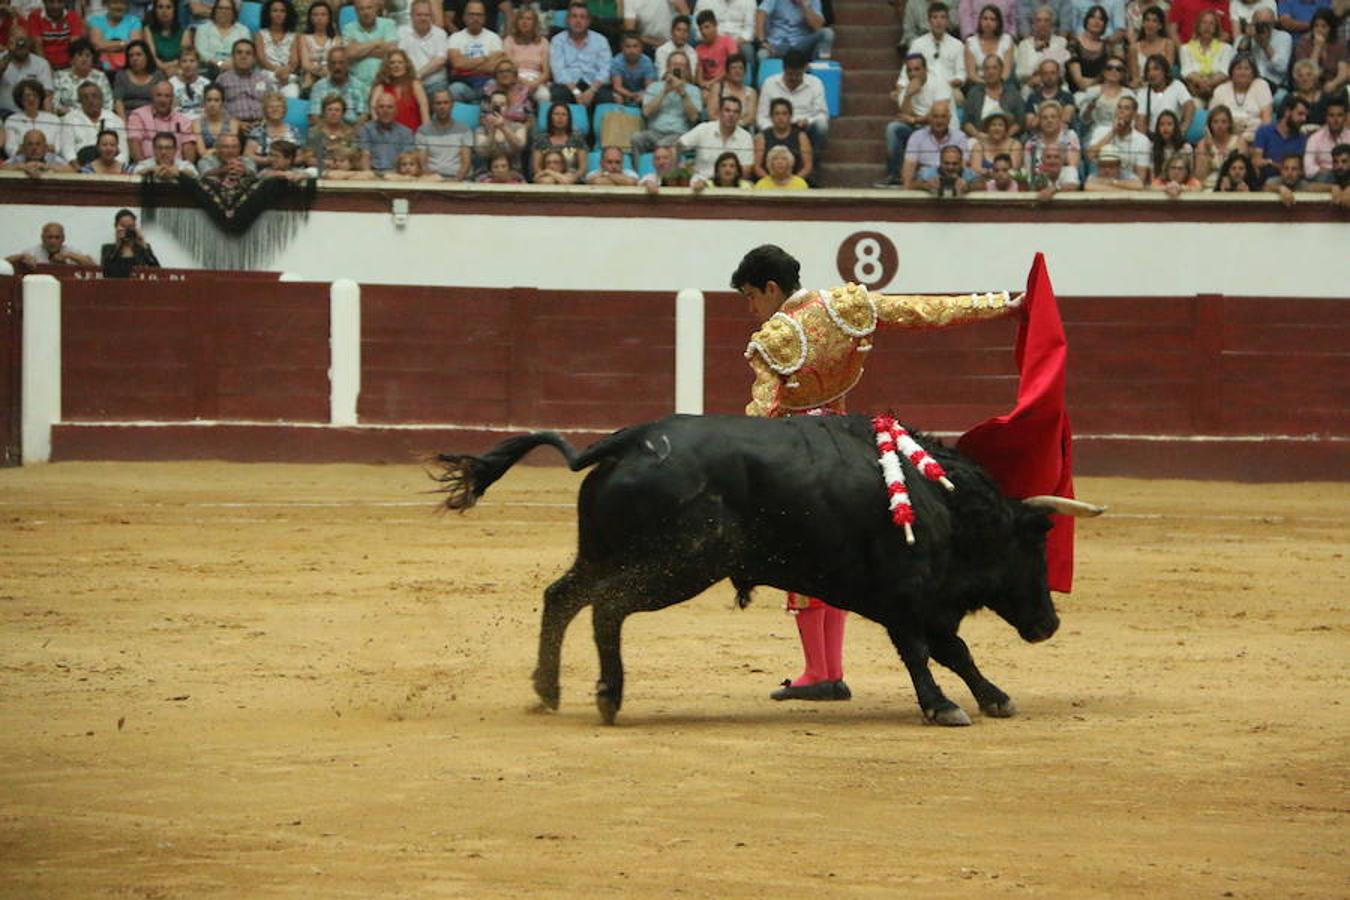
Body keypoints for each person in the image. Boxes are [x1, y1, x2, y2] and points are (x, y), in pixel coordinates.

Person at [732, 244, 1025, 702]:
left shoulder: (775, 337)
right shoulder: (846, 305)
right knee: (839, 560)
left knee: (803, 560)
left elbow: (761, 411)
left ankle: (819, 671)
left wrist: (737, 459)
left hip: (802, 457)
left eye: (751, 296)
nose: (751, 309)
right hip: (854, 447)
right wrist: (999, 304)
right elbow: (925, 311)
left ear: (771, 288)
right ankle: (829, 670)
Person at [880, 54, 953, 187]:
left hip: (942, 128)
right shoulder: (907, 88)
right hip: (919, 128)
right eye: (909, 70)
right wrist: (908, 95)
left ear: (926, 70)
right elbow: (904, 116)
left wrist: (914, 120)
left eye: (917, 69)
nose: (913, 73)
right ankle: (895, 176)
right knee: (893, 129)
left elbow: (939, 115)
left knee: (934, 123)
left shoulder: (939, 83)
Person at [756, 49, 827, 155]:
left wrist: (808, 121)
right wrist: (775, 128)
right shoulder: (769, 83)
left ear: (805, 69)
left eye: (798, 74)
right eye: (790, 74)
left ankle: (812, 160)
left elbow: (822, 115)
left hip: (803, 128)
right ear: (783, 69)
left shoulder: (816, 83)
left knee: (821, 126)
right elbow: (761, 117)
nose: (794, 78)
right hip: (776, 128)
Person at [631, 48, 701, 155]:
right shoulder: (654, 87)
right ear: (668, 67)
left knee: (662, 145)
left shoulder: (693, 90)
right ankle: (638, 170)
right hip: (654, 132)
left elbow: (694, 117)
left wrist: (682, 93)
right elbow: (646, 113)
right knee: (636, 138)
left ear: (687, 69)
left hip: (679, 134)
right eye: (674, 64)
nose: (678, 67)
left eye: (682, 65)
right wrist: (664, 92)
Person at [549, 1, 610, 106]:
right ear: (567, 20)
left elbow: (606, 70)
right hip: (568, 85)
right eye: (574, 16)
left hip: (593, 84)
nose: (578, 21)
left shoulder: (600, 40)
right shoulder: (557, 40)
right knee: (559, 95)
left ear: (588, 21)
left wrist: (592, 90)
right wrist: (576, 92)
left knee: (606, 98)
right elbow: (558, 71)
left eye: (582, 17)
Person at [677, 93, 752, 179]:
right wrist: (685, 167)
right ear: (719, 112)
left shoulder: (746, 137)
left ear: (740, 116)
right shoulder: (704, 129)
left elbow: (746, 170)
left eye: (736, 112)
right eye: (727, 110)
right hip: (701, 184)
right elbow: (679, 145)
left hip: (730, 185)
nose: (731, 115)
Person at [900, 98, 969, 188]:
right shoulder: (917, 136)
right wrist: (908, 188)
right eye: (935, 116)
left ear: (949, 118)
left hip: (952, 181)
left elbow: (962, 166)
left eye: (943, 116)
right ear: (929, 118)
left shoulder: (960, 137)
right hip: (925, 182)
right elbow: (909, 166)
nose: (939, 121)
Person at [909, 2, 966, 103]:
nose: (939, 21)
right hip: (925, 88)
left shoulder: (957, 45)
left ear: (947, 21)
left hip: (949, 88)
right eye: (935, 17)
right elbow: (908, 70)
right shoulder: (917, 44)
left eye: (942, 17)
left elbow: (962, 72)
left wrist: (958, 79)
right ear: (929, 21)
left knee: (959, 97)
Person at [60, 81, 129, 163]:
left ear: (101, 98)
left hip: (110, 168)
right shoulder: (69, 119)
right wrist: (80, 169)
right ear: (79, 101)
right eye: (85, 97)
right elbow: (67, 149)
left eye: (94, 96)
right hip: (79, 167)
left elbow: (123, 153)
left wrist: (111, 168)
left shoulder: (115, 120)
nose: (91, 100)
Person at [126, 79, 195, 161]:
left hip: (177, 168)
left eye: (167, 96)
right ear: (152, 97)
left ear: (172, 99)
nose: (163, 100)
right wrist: (145, 168)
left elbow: (189, 154)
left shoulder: (184, 121)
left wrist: (181, 169)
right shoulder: (138, 115)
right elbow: (134, 145)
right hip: (147, 166)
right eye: (159, 95)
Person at [448, 0, 503, 101]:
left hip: (487, 83)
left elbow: (495, 66)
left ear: (484, 18)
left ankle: (492, 116)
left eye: (479, 15)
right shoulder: (455, 38)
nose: (475, 18)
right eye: (471, 14)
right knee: (454, 89)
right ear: (464, 17)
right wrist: (485, 58)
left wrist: (468, 65)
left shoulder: (494, 38)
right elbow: (458, 63)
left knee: (495, 85)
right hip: (463, 84)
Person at [1209, 53, 1271, 141]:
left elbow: (1266, 120)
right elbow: (1212, 120)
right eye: (1238, 68)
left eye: (1247, 69)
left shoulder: (1261, 86)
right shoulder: (1220, 90)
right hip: (1225, 139)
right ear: (1231, 72)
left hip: (1254, 139)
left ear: (1254, 72)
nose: (1243, 72)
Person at [962, 54, 1025, 139]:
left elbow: (1020, 121)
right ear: (983, 72)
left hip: (1007, 139)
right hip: (980, 139)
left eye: (995, 68)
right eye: (987, 68)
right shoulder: (974, 93)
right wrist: (977, 135)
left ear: (1001, 70)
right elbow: (966, 122)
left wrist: (1005, 136)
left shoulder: (1013, 92)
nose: (990, 72)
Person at [216, 38, 276, 128]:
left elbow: (272, 104)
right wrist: (236, 124)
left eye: (248, 53)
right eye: (239, 52)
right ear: (233, 56)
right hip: (233, 127)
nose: (243, 56)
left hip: (262, 125)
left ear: (254, 58)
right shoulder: (222, 80)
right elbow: (217, 108)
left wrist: (264, 121)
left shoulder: (263, 79)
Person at [1086, 93, 1151, 176]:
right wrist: (1113, 132)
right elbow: (1091, 155)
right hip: (1101, 180)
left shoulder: (1143, 140)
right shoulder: (1101, 130)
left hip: (1127, 184)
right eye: (1119, 107)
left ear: (1134, 114)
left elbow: (1141, 177)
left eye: (1126, 108)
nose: (1121, 111)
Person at [416, 85, 472, 178]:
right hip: (432, 180)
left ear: (452, 104)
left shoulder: (464, 130)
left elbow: (466, 162)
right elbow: (423, 164)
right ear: (432, 106)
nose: (442, 106)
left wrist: (456, 180)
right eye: (438, 103)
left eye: (446, 103)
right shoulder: (423, 131)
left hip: (457, 179)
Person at [1179, 9, 1234, 103]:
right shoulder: (1185, 49)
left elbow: (1224, 72)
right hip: (1194, 92)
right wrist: (1201, 83)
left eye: (1211, 23)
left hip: (1219, 92)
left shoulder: (1226, 48)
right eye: (1204, 22)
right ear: (1198, 26)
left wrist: (1208, 83)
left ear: (1216, 27)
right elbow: (1186, 71)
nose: (1207, 27)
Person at [755, 0, 833, 64]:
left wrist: (805, 6)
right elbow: (761, 14)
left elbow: (818, 27)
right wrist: (762, 41)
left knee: (827, 33)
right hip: (776, 44)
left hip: (801, 44)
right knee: (762, 55)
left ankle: (820, 70)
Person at [502, 5, 551, 107]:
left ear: (535, 23)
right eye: (521, 18)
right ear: (517, 22)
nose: (524, 22)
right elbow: (509, 68)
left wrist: (534, 84)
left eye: (529, 19)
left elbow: (546, 73)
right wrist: (525, 83)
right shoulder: (509, 40)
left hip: (536, 80)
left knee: (544, 95)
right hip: (515, 79)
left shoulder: (543, 42)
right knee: (514, 94)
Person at [753, 96, 812, 181]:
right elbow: (757, 167)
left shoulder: (801, 137)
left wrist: (792, 182)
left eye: (784, 113)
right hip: (768, 182)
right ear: (771, 116)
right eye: (777, 114)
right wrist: (772, 182)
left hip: (795, 183)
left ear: (790, 116)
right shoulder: (762, 137)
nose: (780, 117)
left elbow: (807, 166)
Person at [308, 45, 368, 126]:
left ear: (348, 64)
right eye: (333, 63)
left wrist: (351, 134)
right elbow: (314, 116)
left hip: (352, 131)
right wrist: (328, 133)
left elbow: (364, 116)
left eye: (341, 62)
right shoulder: (318, 87)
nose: (337, 67)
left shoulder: (360, 86)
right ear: (328, 66)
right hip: (325, 131)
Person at [370, 48, 429, 131]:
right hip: (388, 136)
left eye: (400, 62)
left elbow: (424, 109)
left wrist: (425, 134)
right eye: (392, 63)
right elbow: (374, 110)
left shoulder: (415, 85)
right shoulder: (381, 87)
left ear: (406, 65)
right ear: (387, 66)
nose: (396, 65)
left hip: (414, 135)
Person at [1251, 94, 1308, 179]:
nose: (1304, 119)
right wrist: (1278, 166)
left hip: (1293, 182)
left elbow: (1302, 170)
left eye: (1305, 115)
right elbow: (1256, 161)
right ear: (1287, 112)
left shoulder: (1302, 138)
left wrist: (1271, 163)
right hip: (1267, 181)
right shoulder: (1264, 132)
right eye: (1300, 114)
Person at [342, 0, 398, 85]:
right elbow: (350, 53)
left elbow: (392, 51)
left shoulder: (388, 24)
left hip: (385, 81)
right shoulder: (349, 28)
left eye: (369, 8)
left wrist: (359, 50)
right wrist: (376, 43)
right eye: (362, 9)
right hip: (357, 83)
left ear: (376, 9)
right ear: (356, 11)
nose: (366, 12)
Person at [358, 90, 415, 171]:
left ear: (396, 111)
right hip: (373, 175)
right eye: (381, 107)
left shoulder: (406, 132)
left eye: (390, 107)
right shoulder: (366, 129)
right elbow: (365, 155)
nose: (385, 110)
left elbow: (407, 160)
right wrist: (368, 177)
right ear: (376, 110)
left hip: (398, 176)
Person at [399, 0, 449, 94]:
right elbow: (400, 58)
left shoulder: (440, 34)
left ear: (431, 16)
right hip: (409, 82)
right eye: (419, 15)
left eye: (427, 15)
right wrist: (412, 79)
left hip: (435, 83)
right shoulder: (401, 32)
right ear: (411, 16)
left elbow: (440, 60)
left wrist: (418, 75)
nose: (423, 18)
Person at [52, 38, 112, 115]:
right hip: (69, 119)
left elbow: (108, 104)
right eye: (80, 55)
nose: (84, 59)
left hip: (96, 118)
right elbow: (55, 104)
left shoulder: (100, 76)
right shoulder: (59, 76)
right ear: (72, 59)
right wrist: (75, 114)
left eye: (87, 55)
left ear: (92, 59)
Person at [1137, 50, 1194, 132]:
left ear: (1164, 71)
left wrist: (1183, 128)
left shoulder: (1176, 85)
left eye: (1156, 69)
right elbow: (1141, 121)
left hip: (1174, 136)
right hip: (1153, 138)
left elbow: (1189, 106)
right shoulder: (1143, 93)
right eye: (1148, 70)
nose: (1151, 73)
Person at [1236, 7, 1291, 91]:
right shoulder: (1242, 39)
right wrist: (1247, 38)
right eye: (1259, 23)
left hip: (1274, 85)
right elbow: (1235, 63)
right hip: (1246, 83)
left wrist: (1265, 45)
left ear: (1274, 24)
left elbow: (1281, 68)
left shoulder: (1283, 37)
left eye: (1267, 24)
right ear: (1253, 23)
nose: (1263, 27)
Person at [1078, 54, 1133, 137]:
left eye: (1118, 69)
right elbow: (1084, 120)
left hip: (1120, 133)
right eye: (1109, 68)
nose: (1114, 71)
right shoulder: (1092, 91)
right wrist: (1090, 108)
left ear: (1123, 74)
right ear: (1103, 71)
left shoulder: (1129, 93)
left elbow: (1132, 119)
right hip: (1096, 133)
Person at [473, 86, 527, 170]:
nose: (498, 108)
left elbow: (519, 146)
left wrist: (503, 127)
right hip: (487, 173)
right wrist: (491, 132)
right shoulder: (481, 129)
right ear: (489, 107)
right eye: (495, 105)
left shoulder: (518, 127)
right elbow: (482, 152)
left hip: (514, 173)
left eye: (502, 105)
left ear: (508, 107)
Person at [530, 100, 588, 178]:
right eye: (556, 114)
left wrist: (572, 179)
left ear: (569, 118)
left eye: (564, 114)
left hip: (571, 179)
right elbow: (536, 168)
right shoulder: (541, 139)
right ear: (550, 117)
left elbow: (582, 169)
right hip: (546, 178)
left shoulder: (577, 139)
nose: (560, 117)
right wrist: (552, 176)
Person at [2, 31, 54, 117]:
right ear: (9, 42)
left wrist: (47, 118)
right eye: (17, 41)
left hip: (32, 114)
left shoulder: (41, 64)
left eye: (23, 41)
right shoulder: (2, 60)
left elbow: (46, 94)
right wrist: (9, 54)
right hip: (3, 113)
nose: (20, 44)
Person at [1015, 4, 1072, 84]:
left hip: (1057, 86)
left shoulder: (1061, 42)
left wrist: (1040, 76)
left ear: (1052, 24)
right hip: (1031, 85)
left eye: (1046, 20)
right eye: (1039, 20)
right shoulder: (1024, 45)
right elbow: (1020, 73)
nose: (1043, 24)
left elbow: (1061, 71)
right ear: (1033, 24)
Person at [254, 0, 300, 97]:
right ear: (268, 13)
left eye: (282, 11)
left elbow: (294, 62)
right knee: (260, 91)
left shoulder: (293, 36)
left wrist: (285, 71)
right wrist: (277, 71)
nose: (278, 14)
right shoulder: (260, 34)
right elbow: (262, 60)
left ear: (287, 14)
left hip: (287, 76)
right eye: (275, 11)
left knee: (293, 93)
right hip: (266, 74)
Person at [1194, 102, 1247, 184]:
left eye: (1224, 122)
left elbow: (1243, 173)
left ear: (1229, 124)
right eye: (1215, 122)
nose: (1219, 125)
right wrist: (1208, 152)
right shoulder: (1203, 143)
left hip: (1234, 183)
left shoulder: (1239, 142)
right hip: (1209, 184)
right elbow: (1200, 176)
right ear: (1210, 125)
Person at [25, 0, 85, 72]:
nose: (55, 6)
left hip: (68, 65)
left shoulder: (73, 16)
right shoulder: (35, 17)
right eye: (51, 2)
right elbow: (38, 47)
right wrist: (46, 69)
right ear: (44, 2)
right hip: (43, 65)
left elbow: (75, 47)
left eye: (60, 2)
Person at [1292, 7, 1345, 87]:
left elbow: (1343, 72)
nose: (1319, 30)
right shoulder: (1303, 45)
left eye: (1324, 26)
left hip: (1333, 86)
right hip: (1309, 86)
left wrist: (1333, 85)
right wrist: (1317, 48)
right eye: (1316, 26)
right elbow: (1308, 73)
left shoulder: (1339, 46)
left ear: (1331, 28)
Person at [6, 222, 97, 269]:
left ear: (63, 239)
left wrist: (70, 256)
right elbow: (4, 265)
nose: (53, 241)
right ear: (42, 238)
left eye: (57, 237)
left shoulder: (70, 251)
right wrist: (21, 257)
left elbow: (94, 267)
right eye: (49, 237)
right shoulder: (32, 252)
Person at [299, 0, 342, 96]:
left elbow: (337, 62)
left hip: (331, 74)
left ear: (329, 18)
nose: (319, 18)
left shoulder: (337, 39)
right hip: (311, 74)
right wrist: (318, 71)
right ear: (310, 18)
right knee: (309, 78)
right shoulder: (304, 38)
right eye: (315, 15)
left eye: (323, 15)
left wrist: (327, 72)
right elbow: (305, 64)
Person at [702, 51, 755, 129]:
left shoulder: (751, 92)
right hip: (718, 128)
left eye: (741, 68)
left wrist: (735, 127)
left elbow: (750, 117)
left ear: (745, 72)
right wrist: (726, 126)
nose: (737, 71)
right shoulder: (718, 88)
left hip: (742, 130)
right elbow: (712, 114)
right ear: (727, 72)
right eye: (733, 68)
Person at [964, 4, 1016, 84]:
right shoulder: (971, 42)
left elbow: (1006, 72)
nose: (988, 22)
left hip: (1002, 83)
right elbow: (971, 74)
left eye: (993, 19)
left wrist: (996, 85)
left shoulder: (1007, 40)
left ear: (998, 23)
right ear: (980, 21)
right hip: (978, 83)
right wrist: (987, 84)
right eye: (985, 19)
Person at [100, 208, 160, 277]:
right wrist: (118, 245)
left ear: (135, 228)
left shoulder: (143, 249)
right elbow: (105, 273)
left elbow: (157, 272)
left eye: (130, 227)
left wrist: (143, 244)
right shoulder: (108, 249)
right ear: (116, 227)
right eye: (123, 226)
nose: (127, 230)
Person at [5, 78, 61, 150]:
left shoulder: (54, 119)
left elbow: (57, 147)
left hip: (49, 158)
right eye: (27, 95)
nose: (31, 99)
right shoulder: (12, 120)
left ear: (40, 98)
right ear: (20, 99)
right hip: (21, 159)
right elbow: (10, 148)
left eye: (35, 95)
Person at [193, 0, 250, 71]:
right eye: (220, 8)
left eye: (227, 9)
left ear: (233, 12)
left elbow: (247, 51)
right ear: (214, 11)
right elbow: (202, 52)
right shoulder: (203, 29)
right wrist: (219, 63)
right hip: (209, 69)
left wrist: (233, 63)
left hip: (235, 68)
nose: (223, 11)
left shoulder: (243, 30)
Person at [1126, 4, 1175, 85]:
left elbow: (1168, 71)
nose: (1150, 24)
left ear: (1160, 26)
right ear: (1143, 23)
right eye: (1147, 20)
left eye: (1154, 21)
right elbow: (1135, 77)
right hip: (1141, 86)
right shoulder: (1134, 48)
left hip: (1163, 85)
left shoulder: (1168, 44)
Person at [1025, 58, 1077, 131]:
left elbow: (1065, 120)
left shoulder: (1067, 97)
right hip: (1038, 136)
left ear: (1058, 74)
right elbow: (1030, 125)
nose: (1049, 77)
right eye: (1045, 73)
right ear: (1040, 75)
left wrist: (1041, 118)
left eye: (1053, 73)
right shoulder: (1033, 97)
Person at [1067, 4, 1110, 93]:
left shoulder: (1107, 47)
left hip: (1102, 92)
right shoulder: (1073, 44)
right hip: (1077, 93)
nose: (1096, 21)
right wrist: (1098, 80)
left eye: (1101, 19)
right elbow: (1079, 82)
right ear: (1086, 21)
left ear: (1104, 24)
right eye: (1092, 17)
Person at [87, 0, 140, 72]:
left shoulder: (134, 21)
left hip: (127, 70)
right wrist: (123, 43)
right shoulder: (96, 21)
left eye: (123, 3)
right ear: (107, 4)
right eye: (115, 3)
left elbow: (134, 47)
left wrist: (106, 44)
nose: (119, 6)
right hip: (101, 70)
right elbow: (97, 45)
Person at [1304, 97, 1347, 182]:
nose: (1335, 120)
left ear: (1345, 117)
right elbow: (1308, 170)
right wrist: (1331, 171)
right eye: (1331, 115)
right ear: (1326, 117)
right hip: (1324, 180)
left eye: (1339, 115)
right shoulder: (1315, 139)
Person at [610, 29, 656, 105]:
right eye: (628, 46)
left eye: (635, 46)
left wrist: (641, 95)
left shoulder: (647, 62)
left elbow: (649, 87)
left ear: (641, 48)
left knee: (649, 97)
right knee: (616, 97)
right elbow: (617, 87)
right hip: (623, 93)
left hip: (642, 93)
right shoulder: (617, 61)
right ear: (622, 48)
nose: (632, 50)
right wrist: (631, 95)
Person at [192, 82, 237, 156]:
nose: (212, 104)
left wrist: (212, 151)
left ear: (222, 103)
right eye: (209, 100)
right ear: (204, 102)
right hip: (206, 161)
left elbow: (232, 149)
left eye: (216, 100)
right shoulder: (197, 123)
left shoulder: (233, 123)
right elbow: (202, 152)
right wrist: (222, 149)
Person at [141, 0, 185, 76]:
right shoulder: (148, 30)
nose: (164, 11)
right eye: (160, 7)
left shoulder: (184, 31)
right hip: (156, 71)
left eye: (168, 7)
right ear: (155, 10)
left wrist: (173, 69)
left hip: (178, 70)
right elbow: (152, 57)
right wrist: (165, 68)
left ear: (174, 10)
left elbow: (184, 56)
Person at [694, 9, 738, 84]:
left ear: (715, 25)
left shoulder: (728, 42)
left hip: (726, 83)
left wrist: (711, 83)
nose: (703, 32)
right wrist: (703, 84)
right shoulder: (699, 48)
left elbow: (733, 67)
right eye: (701, 29)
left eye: (707, 27)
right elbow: (699, 75)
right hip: (707, 85)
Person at [3, 128, 73, 175]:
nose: (34, 148)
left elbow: (71, 170)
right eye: (30, 144)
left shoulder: (52, 157)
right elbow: (2, 168)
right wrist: (22, 166)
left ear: (45, 148)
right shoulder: (18, 158)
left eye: (38, 144)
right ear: (23, 148)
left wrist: (47, 167)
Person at [131, 128, 196, 175]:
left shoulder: (184, 165)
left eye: (168, 148)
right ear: (153, 149)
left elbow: (194, 174)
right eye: (159, 148)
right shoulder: (145, 164)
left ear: (175, 150)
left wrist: (179, 172)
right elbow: (135, 172)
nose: (163, 152)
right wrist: (151, 170)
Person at [169, 48, 211, 120]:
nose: (188, 65)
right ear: (179, 64)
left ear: (198, 63)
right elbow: (171, 109)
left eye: (192, 61)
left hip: (201, 122)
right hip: (179, 122)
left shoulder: (206, 83)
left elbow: (209, 108)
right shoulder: (172, 83)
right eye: (184, 61)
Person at [654, 14, 694, 80]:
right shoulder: (661, 50)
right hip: (666, 85)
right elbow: (662, 75)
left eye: (685, 31)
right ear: (672, 32)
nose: (682, 34)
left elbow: (691, 77)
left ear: (689, 34)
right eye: (679, 30)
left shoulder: (692, 52)